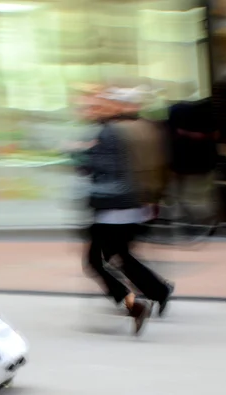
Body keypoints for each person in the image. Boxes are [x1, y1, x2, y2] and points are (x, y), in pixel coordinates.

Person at [79, 87, 174, 335]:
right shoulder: (142, 128)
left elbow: (106, 167)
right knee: (119, 255)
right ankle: (157, 291)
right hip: (131, 205)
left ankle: (134, 303)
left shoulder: (111, 131)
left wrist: (82, 153)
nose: (89, 109)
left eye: (95, 105)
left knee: (96, 261)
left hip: (113, 206)